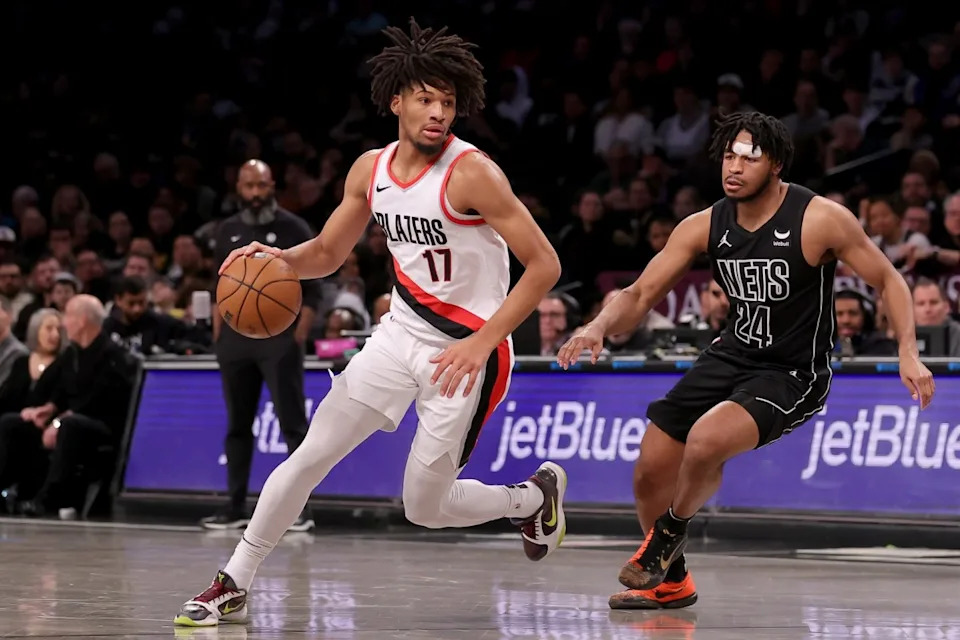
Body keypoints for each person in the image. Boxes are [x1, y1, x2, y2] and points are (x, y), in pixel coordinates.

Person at [175, 18, 566, 627]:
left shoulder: (473, 173)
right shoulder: (370, 170)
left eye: (448, 102)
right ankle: (233, 581)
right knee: (308, 456)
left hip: (467, 352)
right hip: (399, 336)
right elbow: (328, 253)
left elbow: (545, 265)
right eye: (425, 98)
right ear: (397, 101)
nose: (438, 112)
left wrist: (482, 343)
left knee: (423, 507)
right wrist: (275, 260)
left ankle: (531, 497)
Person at [557, 112, 935, 610]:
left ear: (775, 164)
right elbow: (642, 290)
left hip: (793, 370)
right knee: (650, 468)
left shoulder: (819, 218)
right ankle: (672, 582)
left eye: (748, 158)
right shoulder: (705, 224)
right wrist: (597, 325)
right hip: (731, 353)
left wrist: (908, 350)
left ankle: (669, 532)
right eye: (729, 156)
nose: (733, 167)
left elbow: (888, 278)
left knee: (706, 440)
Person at [204, 159, 321, 531]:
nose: (256, 194)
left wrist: (296, 336)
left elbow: (315, 291)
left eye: (262, 186)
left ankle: (300, 511)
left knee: (292, 425)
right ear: (239, 188)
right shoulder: (227, 230)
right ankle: (235, 505)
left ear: (273, 185)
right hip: (236, 341)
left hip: (280, 341)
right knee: (237, 426)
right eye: (249, 186)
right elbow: (218, 287)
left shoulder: (293, 227)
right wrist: (218, 335)